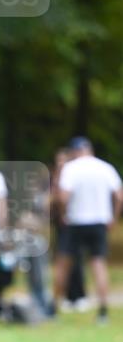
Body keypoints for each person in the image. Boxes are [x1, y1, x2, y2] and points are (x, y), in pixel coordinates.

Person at [53, 137, 123, 324]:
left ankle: (54, 309)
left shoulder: (71, 168)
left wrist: (63, 214)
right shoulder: (105, 168)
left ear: (75, 151)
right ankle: (103, 311)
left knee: (63, 264)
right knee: (99, 264)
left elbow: (63, 196)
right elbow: (119, 195)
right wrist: (113, 218)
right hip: (99, 222)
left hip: (75, 222)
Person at [51, 147, 87, 311]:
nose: (60, 164)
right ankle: (64, 296)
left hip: (74, 223)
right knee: (62, 261)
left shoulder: (73, 177)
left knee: (76, 260)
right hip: (59, 225)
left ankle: (78, 295)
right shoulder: (55, 179)